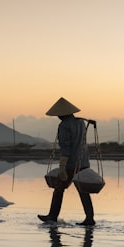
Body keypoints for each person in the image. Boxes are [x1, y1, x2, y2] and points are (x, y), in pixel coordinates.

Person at [38, 97, 95, 226]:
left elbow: (66, 146)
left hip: (71, 163)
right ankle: (90, 218)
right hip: (83, 162)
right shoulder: (80, 123)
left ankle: (52, 216)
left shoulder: (64, 125)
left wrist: (62, 167)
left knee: (59, 188)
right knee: (83, 190)